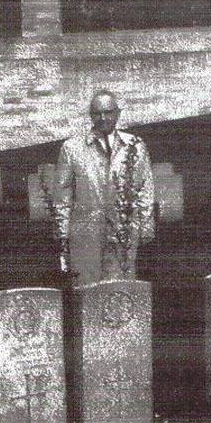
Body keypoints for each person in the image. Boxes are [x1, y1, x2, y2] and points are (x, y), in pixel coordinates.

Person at [53, 89, 154, 286]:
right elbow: (62, 195)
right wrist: (62, 234)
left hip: (123, 229)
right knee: (86, 287)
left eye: (108, 112)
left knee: (120, 286)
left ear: (117, 114)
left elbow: (145, 187)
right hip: (85, 231)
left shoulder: (134, 145)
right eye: (97, 113)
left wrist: (146, 226)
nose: (103, 118)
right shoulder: (72, 149)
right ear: (91, 116)